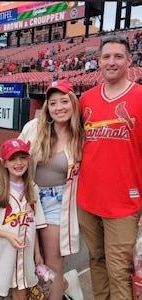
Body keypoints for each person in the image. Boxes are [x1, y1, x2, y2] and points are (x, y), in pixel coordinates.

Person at [0, 79, 84, 300]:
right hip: (28, 198)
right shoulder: (34, 127)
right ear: (47, 106)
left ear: (74, 103)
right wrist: (0, 161)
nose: (59, 108)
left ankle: (60, 289)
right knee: (29, 258)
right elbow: (16, 155)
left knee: (52, 262)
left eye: (64, 101)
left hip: (58, 203)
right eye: (53, 102)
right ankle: (68, 283)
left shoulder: (80, 135)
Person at [77, 35, 142, 299]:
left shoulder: (139, 96)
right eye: (106, 57)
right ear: (98, 62)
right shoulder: (86, 100)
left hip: (124, 203)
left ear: (129, 60)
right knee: (96, 261)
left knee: (118, 270)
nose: (111, 62)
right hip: (88, 200)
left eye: (118, 57)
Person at [0, 138, 46, 299]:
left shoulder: (33, 188)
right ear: (4, 163)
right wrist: (7, 236)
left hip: (25, 251)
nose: (18, 163)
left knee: (21, 286)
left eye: (23, 157)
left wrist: (37, 253)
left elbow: (35, 224)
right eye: (13, 159)